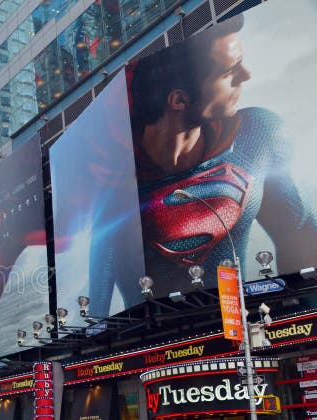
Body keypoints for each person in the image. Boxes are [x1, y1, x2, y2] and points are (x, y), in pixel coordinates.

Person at [127, 13, 317, 298]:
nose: (246, 76)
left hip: (254, 322)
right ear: (179, 100)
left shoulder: (258, 135)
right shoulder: (117, 185)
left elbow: (301, 234)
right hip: (160, 333)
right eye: (230, 72)